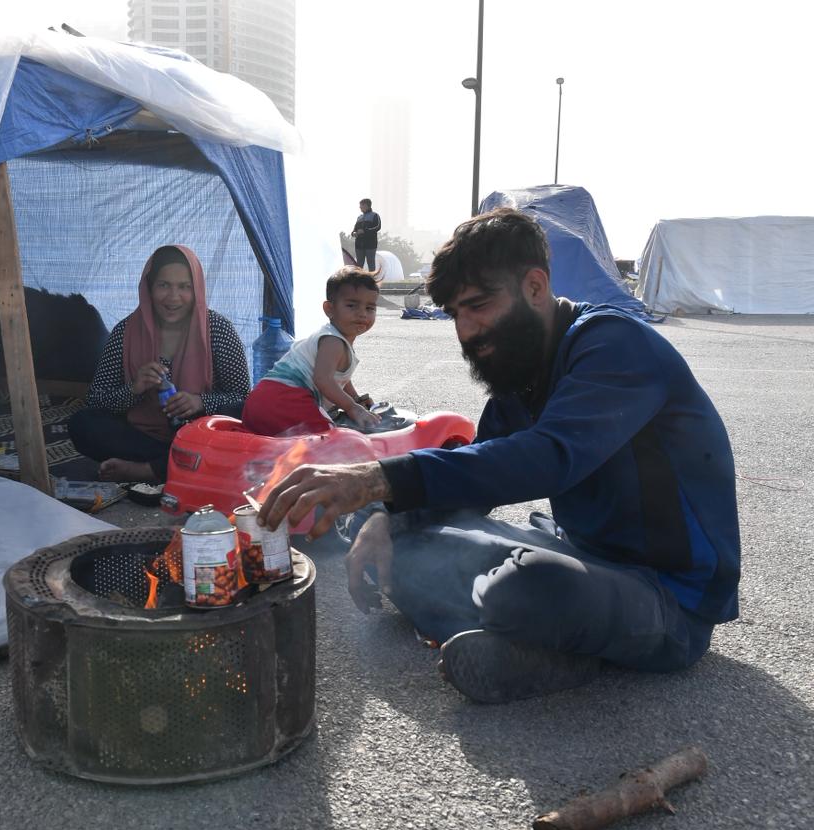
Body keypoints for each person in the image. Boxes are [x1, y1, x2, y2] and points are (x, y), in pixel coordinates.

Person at [260, 208, 740, 704]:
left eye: (480, 306)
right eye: (456, 315)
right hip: (579, 554)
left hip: (669, 598)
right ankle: (534, 642)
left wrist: (378, 478)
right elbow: (480, 469)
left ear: (535, 287)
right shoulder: (524, 368)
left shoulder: (616, 347)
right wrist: (387, 516)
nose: (466, 331)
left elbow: (547, 457)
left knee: (527, 584)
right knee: (399, 544)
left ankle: (544, 640)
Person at [68, 245, 250, 484]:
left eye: (184, 287)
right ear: (149, 288)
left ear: (197, 290)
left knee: (243, 425)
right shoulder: (126, 331)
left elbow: (243, 400)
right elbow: (96, 400)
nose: (173, 297)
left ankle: (149, 470)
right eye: (164, 285)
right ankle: (178, 465)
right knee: (83, 424)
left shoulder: (217, 330)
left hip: (200, 435)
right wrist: (134, 389)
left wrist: (200, 402)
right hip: (143, 437)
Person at [242, 266, 382, 435]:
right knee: (328, 438)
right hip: (283, 400)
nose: (362, 314)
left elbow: (341, 379)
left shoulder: (336, 339)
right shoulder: (333, 341)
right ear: (329, 309)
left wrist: (356, 400)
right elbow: (324, 380)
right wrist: (353, 408)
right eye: (352, 305)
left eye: (370, 308)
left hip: (263, 402)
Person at [352, 199, 381, 272]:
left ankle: (371, 281)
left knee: (371, 263)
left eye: (361, 205)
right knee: (359, 265)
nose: (360, 207)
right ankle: (359, 282)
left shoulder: (375, 215)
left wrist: (365, 231)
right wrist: (354, 233)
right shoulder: (359, 217)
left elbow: (378, 227)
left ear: (366, 205)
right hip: (359, 245)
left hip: (370, 244)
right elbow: (354, 230)